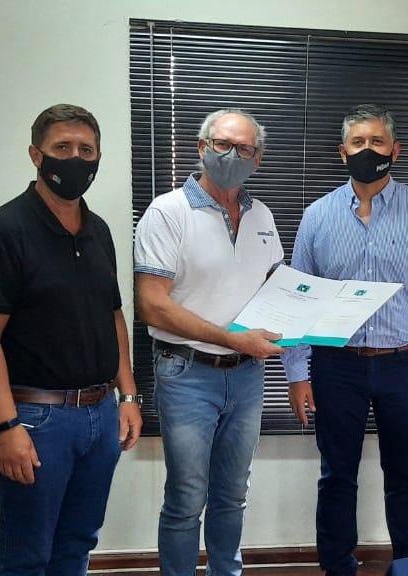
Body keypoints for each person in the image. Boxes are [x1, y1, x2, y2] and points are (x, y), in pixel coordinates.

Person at [0, 103, 142, 575]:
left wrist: (128, 396)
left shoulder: (98, 230)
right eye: (63, 147)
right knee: (27, 555)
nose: (75, 158)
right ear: (36, 155)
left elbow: (113, 316)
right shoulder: (2, 232)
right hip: (36, 419)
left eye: (86, 149)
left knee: (77, 545)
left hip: (100, 415)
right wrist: (5, 427)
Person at [283, 104, 408, 574]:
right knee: (336, 475)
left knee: (405, 475)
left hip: (403, 364)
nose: (368, 150)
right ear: (342, 152)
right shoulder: (317, 216)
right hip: (335, 365)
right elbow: (299, 300)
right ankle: (337, 567)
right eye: (358, 143)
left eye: (377, 142)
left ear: (394, 151)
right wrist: (297, 374)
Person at [134, 109, 284, 576]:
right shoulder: (168, 212)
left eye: (244, 148)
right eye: (222, 144)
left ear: (257, 159)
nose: (232, 155)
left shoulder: (262, 215)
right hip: (186, 374)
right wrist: (234, 339)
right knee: (186, 497)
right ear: (201, 147)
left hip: (247, 376)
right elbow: (152, 306)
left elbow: (275, 290)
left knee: (232, 495)